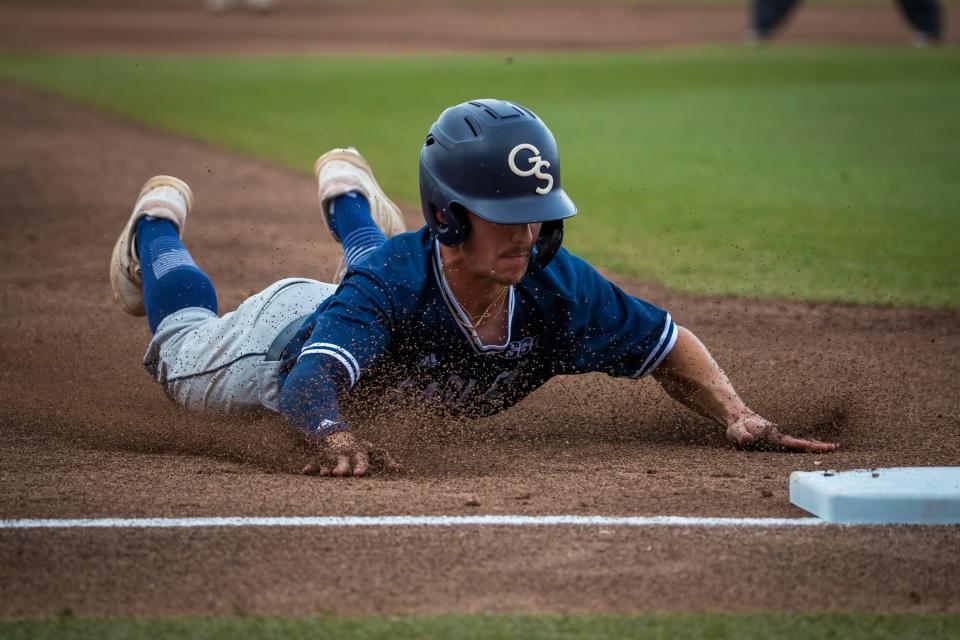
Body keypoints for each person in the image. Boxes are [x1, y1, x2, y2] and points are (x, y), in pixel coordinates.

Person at [110, 98, 839, 477]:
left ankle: (348, 202)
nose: (527, 234)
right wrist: (333, 433)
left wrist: (738, 417)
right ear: (447, 215)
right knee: (180, 354)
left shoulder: (560, 289)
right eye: (507, 217)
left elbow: (668, 344)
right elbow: (310, 383)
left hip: (381, 289)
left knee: (387, 276)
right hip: (277, 344)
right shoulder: (394, 282)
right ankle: (155, 226)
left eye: (538, 216)